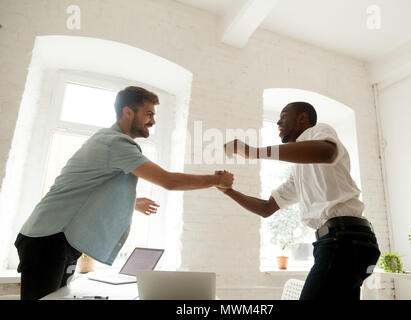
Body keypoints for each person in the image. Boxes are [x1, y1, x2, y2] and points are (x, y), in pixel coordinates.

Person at [15, 86, 234, 300]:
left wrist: (133, 202)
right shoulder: (115, 143)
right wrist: (217, 180)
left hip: (55, 239)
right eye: (148, 114)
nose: (153, 121)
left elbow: (91, 189)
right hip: (47, 239)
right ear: (128, 112)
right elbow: (169, 181)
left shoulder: (108, 141)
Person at [218, 101, 380, 300]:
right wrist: (229, 191)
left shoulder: (318, 131)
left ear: (303, 118)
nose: (278, 121)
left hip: (344, 241)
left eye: (284, 116)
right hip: (344, 242)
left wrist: (254, 152)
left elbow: (326, 153)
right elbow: (267, 208)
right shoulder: (299, 172)